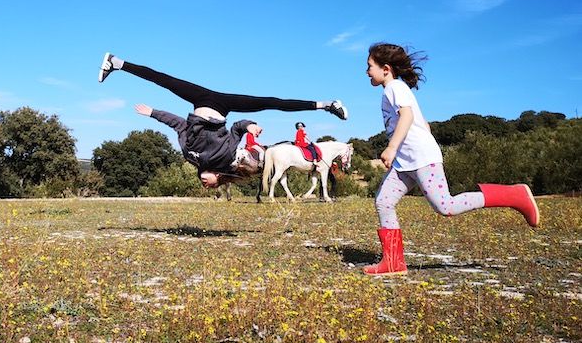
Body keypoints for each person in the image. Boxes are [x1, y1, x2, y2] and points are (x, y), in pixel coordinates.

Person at [363, 42, 540, 276]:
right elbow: (422, 123)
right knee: (384, 201)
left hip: (421, 158)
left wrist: (392, 147)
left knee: (445, 206)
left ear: (385, 68)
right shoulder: (394, 90)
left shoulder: (394, 87)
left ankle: (514, 195)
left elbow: (407, 115)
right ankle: (394, 261)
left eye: (369, 67)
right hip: (405, 163)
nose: (366, 72)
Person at [98, 52, 348, 188]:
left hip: (200, 101)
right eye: (211, 186)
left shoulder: (188, 155)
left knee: (162, 79)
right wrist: (250, 125)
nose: (206, 185)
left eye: (204, 186)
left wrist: (152, 112)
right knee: (272, 102)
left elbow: (178, 125)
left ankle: (116, 62)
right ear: (219, 177)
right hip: (223, 107)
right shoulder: (227, 160)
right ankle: (327, 105)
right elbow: (238, 130)